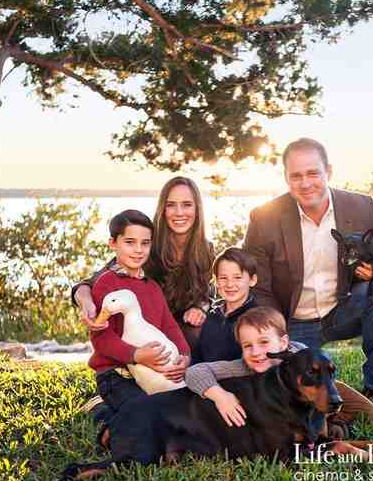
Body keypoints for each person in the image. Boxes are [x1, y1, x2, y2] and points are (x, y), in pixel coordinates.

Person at [243, 138, 373, 408]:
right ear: (286, 178)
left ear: (328, 171)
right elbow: (259, 287)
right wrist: (274, 333)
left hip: (342, 311)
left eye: (313, 173)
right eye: (296, 176)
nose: (305, 183)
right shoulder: (264, 218)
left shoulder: (362, 206)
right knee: (290, 397)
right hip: (292, 322)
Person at [185, 306, 373, 439]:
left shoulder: (300, 354)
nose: (256, 352)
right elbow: (194, 372)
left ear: (283, 343)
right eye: (247, 346)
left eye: (264, 342)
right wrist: (220, 396)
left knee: (369, 414)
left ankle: (332, 420)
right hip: (288, 404)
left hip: (318, 384)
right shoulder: (242, 366)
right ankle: (327, 426)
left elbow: (322, 370)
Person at [72, 176, 215, 355]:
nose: (179, 212)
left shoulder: (206, 249)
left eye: (187, 204)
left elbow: (209, 292)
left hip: (183, 328)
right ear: (163, 209)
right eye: (171, 205)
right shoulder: (147, 245)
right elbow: (89, 283)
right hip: (145, 327)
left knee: (210, 332)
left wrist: (199, 308)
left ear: (197, 209)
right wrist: (86, 302)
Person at [87, 209, 190, 433]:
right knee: (143, 411)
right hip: (116, 374)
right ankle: (104, 418)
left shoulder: (152, 287)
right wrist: (136, 355)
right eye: (130, 242)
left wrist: (184, 355)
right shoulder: (106, 284)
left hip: (152, 374)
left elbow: (169, 326)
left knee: (182, 407)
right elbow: (101, 337)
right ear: (113, 244)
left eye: (145, 243)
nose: (138, 250)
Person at [192, 247, 259, 364]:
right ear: (216, 281)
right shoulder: (211, 314)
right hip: (202, 374)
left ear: (252, 280)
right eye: (223, 278)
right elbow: (198, 356)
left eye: (237, 277)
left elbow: (253, 365)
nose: (229, 284)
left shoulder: (258, 319)